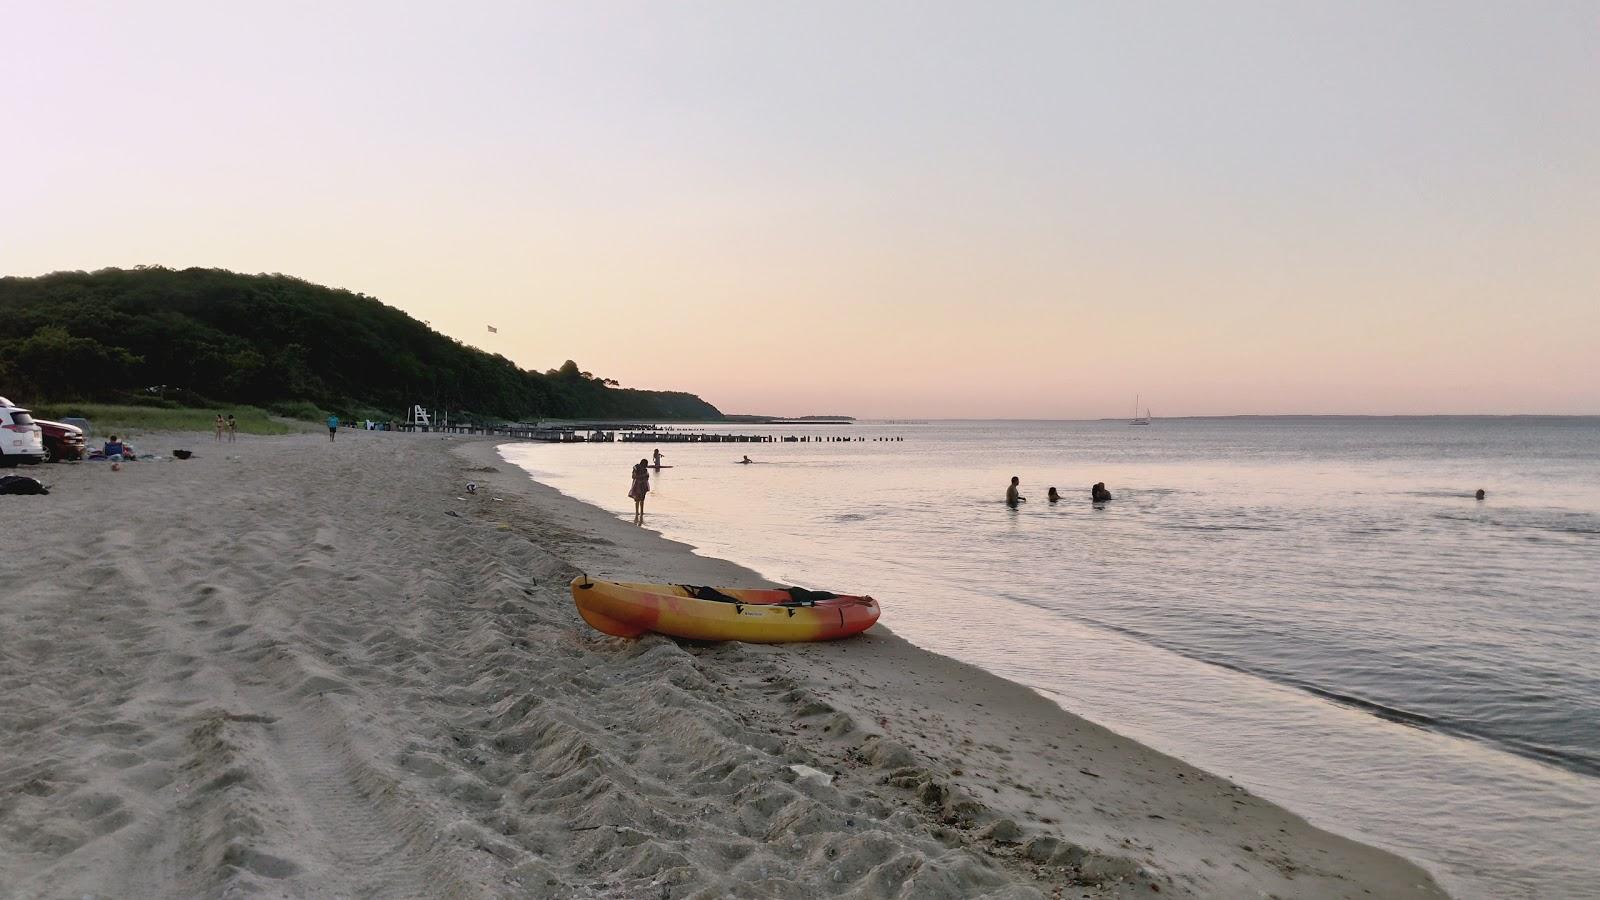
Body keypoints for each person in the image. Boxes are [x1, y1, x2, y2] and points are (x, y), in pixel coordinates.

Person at [629, 458, 651, 524]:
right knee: (642, 499)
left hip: (637, 485)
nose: (646, 465)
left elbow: (633, 476)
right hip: (642, 486)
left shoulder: (636, 468)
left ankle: (637, 513)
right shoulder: (644, 470)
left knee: (637, 500)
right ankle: (641, 512)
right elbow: (647, 477)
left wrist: (638, 477)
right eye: (646, 464)